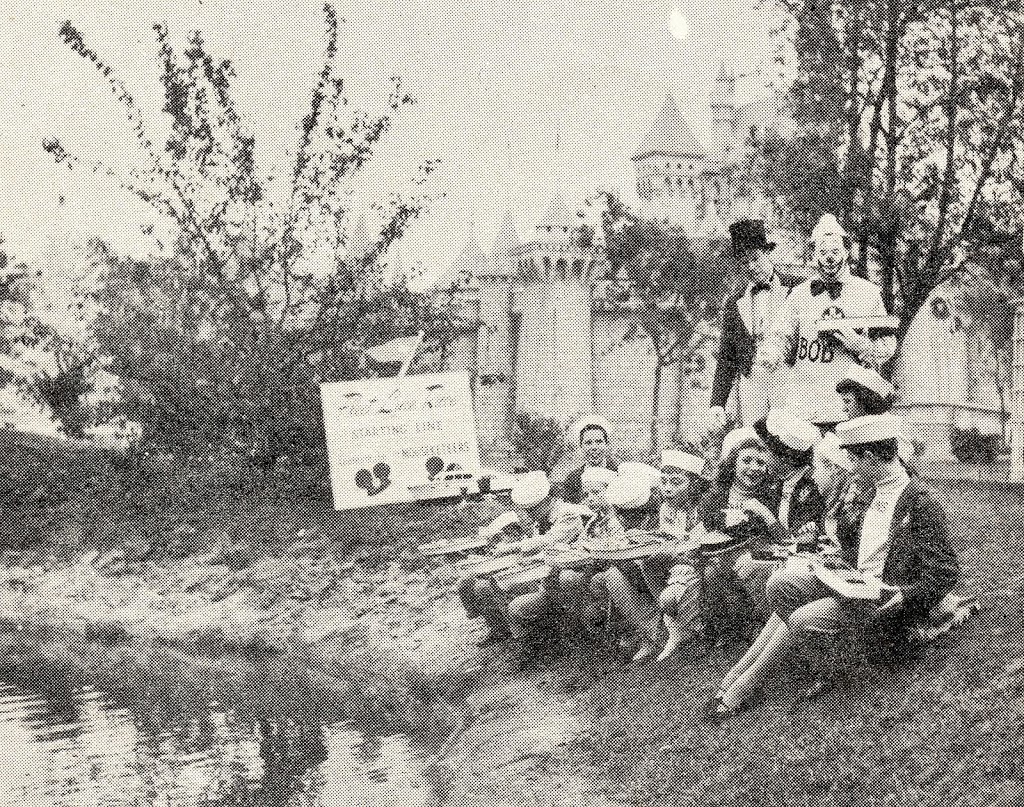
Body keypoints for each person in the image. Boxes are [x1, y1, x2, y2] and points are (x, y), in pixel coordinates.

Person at [707, 413, 959, 720]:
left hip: (883, 600)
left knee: (800, 617)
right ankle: (745, 674)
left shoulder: (919, 501)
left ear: (868, 458)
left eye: (852, 461)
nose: (850, 470)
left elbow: (944, 571)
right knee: (779, 585)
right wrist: (836, 561)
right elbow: (862, 551)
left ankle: (744, 684)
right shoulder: (870, 491)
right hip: (853, 585)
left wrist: (904, 596)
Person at [761, 214, 897, 428]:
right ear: (814, 256)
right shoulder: (799, 294)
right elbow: (780, 335)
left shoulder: (868, 293)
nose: (829, 258)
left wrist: (862, 345)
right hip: (806, 403)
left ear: (846, 252)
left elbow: (888, 345)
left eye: (835, 251)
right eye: (822, 253)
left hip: (850, 404)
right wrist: (772, 352)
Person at [709, 219, 799, 430]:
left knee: (787, 438)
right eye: (744, 262)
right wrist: (717, 403)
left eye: (755, 259)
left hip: (787, 377)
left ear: (767, 253)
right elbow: (727, 355)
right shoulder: (734, 301)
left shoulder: (796, 290)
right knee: (754, 438)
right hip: (751, 381)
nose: (751, 266)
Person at [503, 471, 591, 641]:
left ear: (546, 500)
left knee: (519, 601)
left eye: (532, 509)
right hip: (551, 583)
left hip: (573, 582)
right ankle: (530, 640)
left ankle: (561, 635)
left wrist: (512, 548)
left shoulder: (567, 514)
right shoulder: (542, 519)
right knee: (506, 591)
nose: (529, 514)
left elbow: (548, 542)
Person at [457, 511, 528, 646]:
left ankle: (500, 629)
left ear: (517, 531)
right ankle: (485, 618)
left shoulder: (524, 543)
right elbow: (495, 559)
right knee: (464, 582)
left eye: (509, 533)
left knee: (482, 587)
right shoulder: (503, 544)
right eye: (504, 534)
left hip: (518, 578)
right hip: (499, 574)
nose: (505, 537)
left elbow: (517, 564)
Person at [562, 416, 619, 505]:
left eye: (599, 442)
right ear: (581, 446)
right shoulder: (573, 479)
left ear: (606, 444)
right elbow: (569, 509)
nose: (594, 447)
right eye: (588, 443)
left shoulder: (618, 473)